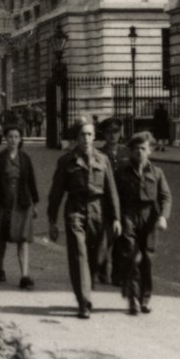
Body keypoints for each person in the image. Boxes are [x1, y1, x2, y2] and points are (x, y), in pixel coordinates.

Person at [47, 117, 122, 319]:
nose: (86, 138)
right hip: (76, 210)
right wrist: (52, 221)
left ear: (94, 136)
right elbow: (56, 193)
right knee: (79, 256)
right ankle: (84, 302)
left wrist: (116, 218)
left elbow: (111, 190)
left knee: (96, 257)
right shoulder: (66, 161)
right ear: (77, 137)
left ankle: (88, 285)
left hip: (98, 211)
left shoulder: (102, 159)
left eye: (89, 134)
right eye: (82, 134)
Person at [115, 131, 172, 316]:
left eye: (143, 148)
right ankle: (132, 299)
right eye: (136, 148)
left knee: (146, 259)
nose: (139, 152)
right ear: (130, 151)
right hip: (129, 216)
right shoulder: (121, 171)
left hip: (149, 218)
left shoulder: (157, 172)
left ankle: (145, 298)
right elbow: (114, 196)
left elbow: (165, 197)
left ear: (150, 151)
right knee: (132, 257)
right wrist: (116, 218)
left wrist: (163, 216)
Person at [0, 123, 39, 289]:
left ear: (21, 139)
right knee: (1, 237)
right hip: (3, 202)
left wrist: (34, 204)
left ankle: (24, 275)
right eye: (10, 137)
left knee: (23, 238)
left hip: (22, 203)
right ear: (5, 139)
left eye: (16, 137)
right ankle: (0, 267)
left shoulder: (25, 158)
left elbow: (31, 181)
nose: (13, 140)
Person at [98, 116, 130, 285]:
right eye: (109, 132)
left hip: (124, 201)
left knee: (122, 237)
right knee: (105, 238)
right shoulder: (99, 154)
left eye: (116, 131)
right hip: (105, 201)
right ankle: (103, 269)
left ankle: (118, 274)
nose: (113, 135)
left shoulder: (127, 152)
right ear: (103, 134)